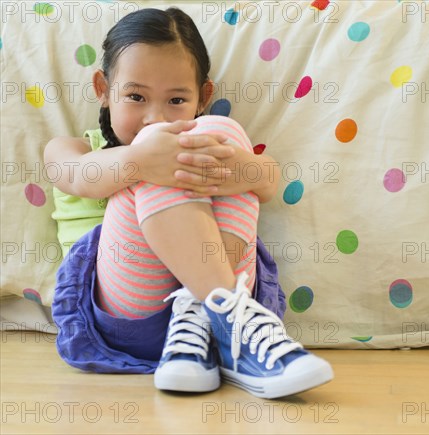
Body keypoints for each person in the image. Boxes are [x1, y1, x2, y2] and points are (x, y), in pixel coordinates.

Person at [44, 7, 333, 399]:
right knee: (159, 150)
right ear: (102, 88)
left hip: (218, 316)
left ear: (203, 96)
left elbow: (268, 181)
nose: (154, 116)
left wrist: (239, 168)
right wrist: (145, 157)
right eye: (135, 96)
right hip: (128, 317)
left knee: (222, 132)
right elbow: (77, 174)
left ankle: (208, 314)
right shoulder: (73, 149)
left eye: (177, 99)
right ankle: (226, 309)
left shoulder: (203, 136)